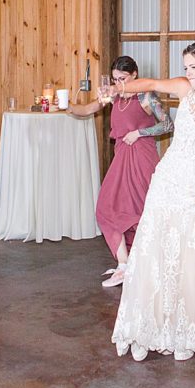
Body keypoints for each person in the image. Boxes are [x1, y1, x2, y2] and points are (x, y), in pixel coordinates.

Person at [110, 40, 195, 363]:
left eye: (194, 68)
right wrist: (122, 88)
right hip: (168, 178)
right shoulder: (185, 89)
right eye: (186, 68)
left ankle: (193, 330)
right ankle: (149, 328)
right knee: (156, 248)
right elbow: (152, 83)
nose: (189, 74)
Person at [66, 56, 173, 287]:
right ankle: (124, 264)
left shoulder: (145, 95)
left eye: (122, 79)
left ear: (134, 75)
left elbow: (167, 124)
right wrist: (65, 105)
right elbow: (87, 109)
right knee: (107, 207)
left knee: (142, 208)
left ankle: (146, 263)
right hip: (122, 154)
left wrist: (140, 133)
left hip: (142, 154)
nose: (118, 83)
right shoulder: (113, 94)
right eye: (114, 79)